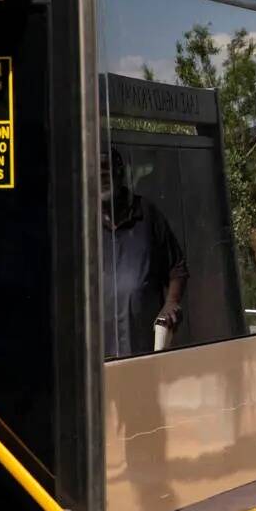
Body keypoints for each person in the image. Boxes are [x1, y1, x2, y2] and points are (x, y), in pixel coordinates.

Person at [101, 147, 189, 358]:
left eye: (106, 168)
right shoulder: (83, 223)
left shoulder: (147, 214)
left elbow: (177, 267)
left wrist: (171, 303)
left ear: (119, 172)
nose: (101, 176)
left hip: (143, 350)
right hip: (101, 356)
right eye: (94, 171)